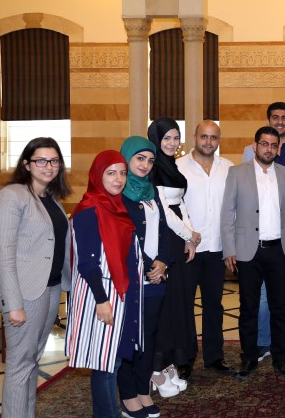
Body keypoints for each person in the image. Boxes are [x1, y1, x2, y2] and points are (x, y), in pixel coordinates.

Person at [0, 137, 71, 418]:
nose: (49, 166)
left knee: (32, 360)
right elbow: (3, 253)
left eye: (54, 160)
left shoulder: (51, 198)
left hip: (50, 288)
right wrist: (14, 304)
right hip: (23, 292)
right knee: (19, 365)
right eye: (41, 160)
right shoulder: (11, 196)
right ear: (26, 164)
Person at [65, 151, 143, 418]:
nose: (118, 179)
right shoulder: (89, 210)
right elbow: (87, 262)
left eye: (122, 173)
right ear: (98, 176)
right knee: (104, 364)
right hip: (101, 294)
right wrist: (101, 300)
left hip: (119, 293)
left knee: (113, 360)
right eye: (111, 173)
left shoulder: (117, 207)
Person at [222, 126, 285, 380]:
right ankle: (248, 358)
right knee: (249, 308)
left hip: (279, 250)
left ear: (278, 149)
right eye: (264, 144)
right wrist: (229, 249)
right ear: (255, 146)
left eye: (273, 145)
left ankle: (280, 358)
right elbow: (227, 214)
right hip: (248, 252)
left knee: (280, 307)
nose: (269, 149)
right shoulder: (237, 173)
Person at [241, 102, 285, 362]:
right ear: (268, 119)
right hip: (259, 238)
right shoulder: (249, 152)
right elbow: (245, 196)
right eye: (275, 117)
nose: (280, 121)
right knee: (261, 295)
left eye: (284, 118)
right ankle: (263, 341)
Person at [118, 136, 182, 418]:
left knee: (149, 337)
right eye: (139, 158)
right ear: (127, 158)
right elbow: (122, 237)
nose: (145, 165)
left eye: (150, 160)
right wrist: (148, 266)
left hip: (157, 277)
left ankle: (143, 389)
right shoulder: (118, 192)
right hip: (132, 278)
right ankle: (128, 394)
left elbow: (165, 229)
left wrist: (164, 261)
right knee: (130, 338)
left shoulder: (152, 191)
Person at [175, 120, 235, 375]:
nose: (208, 142)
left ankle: (214, 357)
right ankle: (185, 359)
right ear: (194, 137)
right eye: (204, 136)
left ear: (219, 140)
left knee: (214, 305)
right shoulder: (178, 167)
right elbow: (172, 208)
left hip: (217, 249)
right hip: (187, 250)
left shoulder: (228, 168)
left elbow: (233, 208)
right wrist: (185, 236)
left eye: (213, 137)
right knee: (184, 306)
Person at [147, 118, 204, 380]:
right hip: (164, 237)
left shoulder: (172, 166)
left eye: (176, 137)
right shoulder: (153, 167)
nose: (172, 143)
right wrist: (187, 234)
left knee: (181, 298)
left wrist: (191, 239)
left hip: (179, 237)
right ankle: (162, 360)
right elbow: (163, 210)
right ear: (156, 139)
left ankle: (181, 356)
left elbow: (181, 204)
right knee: (167, 301)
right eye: (166, 138)